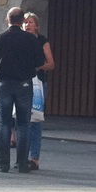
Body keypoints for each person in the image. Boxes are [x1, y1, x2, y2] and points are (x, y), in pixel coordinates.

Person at [0, 5, 45, 173]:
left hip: (5, 83)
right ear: (22, 21)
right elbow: (39, 61)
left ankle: (3, 163)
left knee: (5, 123)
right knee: (24, 124)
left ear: (8, 20)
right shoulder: (31, 40)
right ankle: (21, 164)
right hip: (25, 84)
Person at [22, 11, 55, 170]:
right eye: (25, 22)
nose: (27, 24)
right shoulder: (20, 39)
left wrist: (37, 66)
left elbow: (51, 64)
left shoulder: (42, 41)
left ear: (37, 25)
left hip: (38, 84)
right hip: (22, 82)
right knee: (22, 121)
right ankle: (22, 156)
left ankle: (34, 158)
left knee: (35, 121)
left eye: (30, 22)